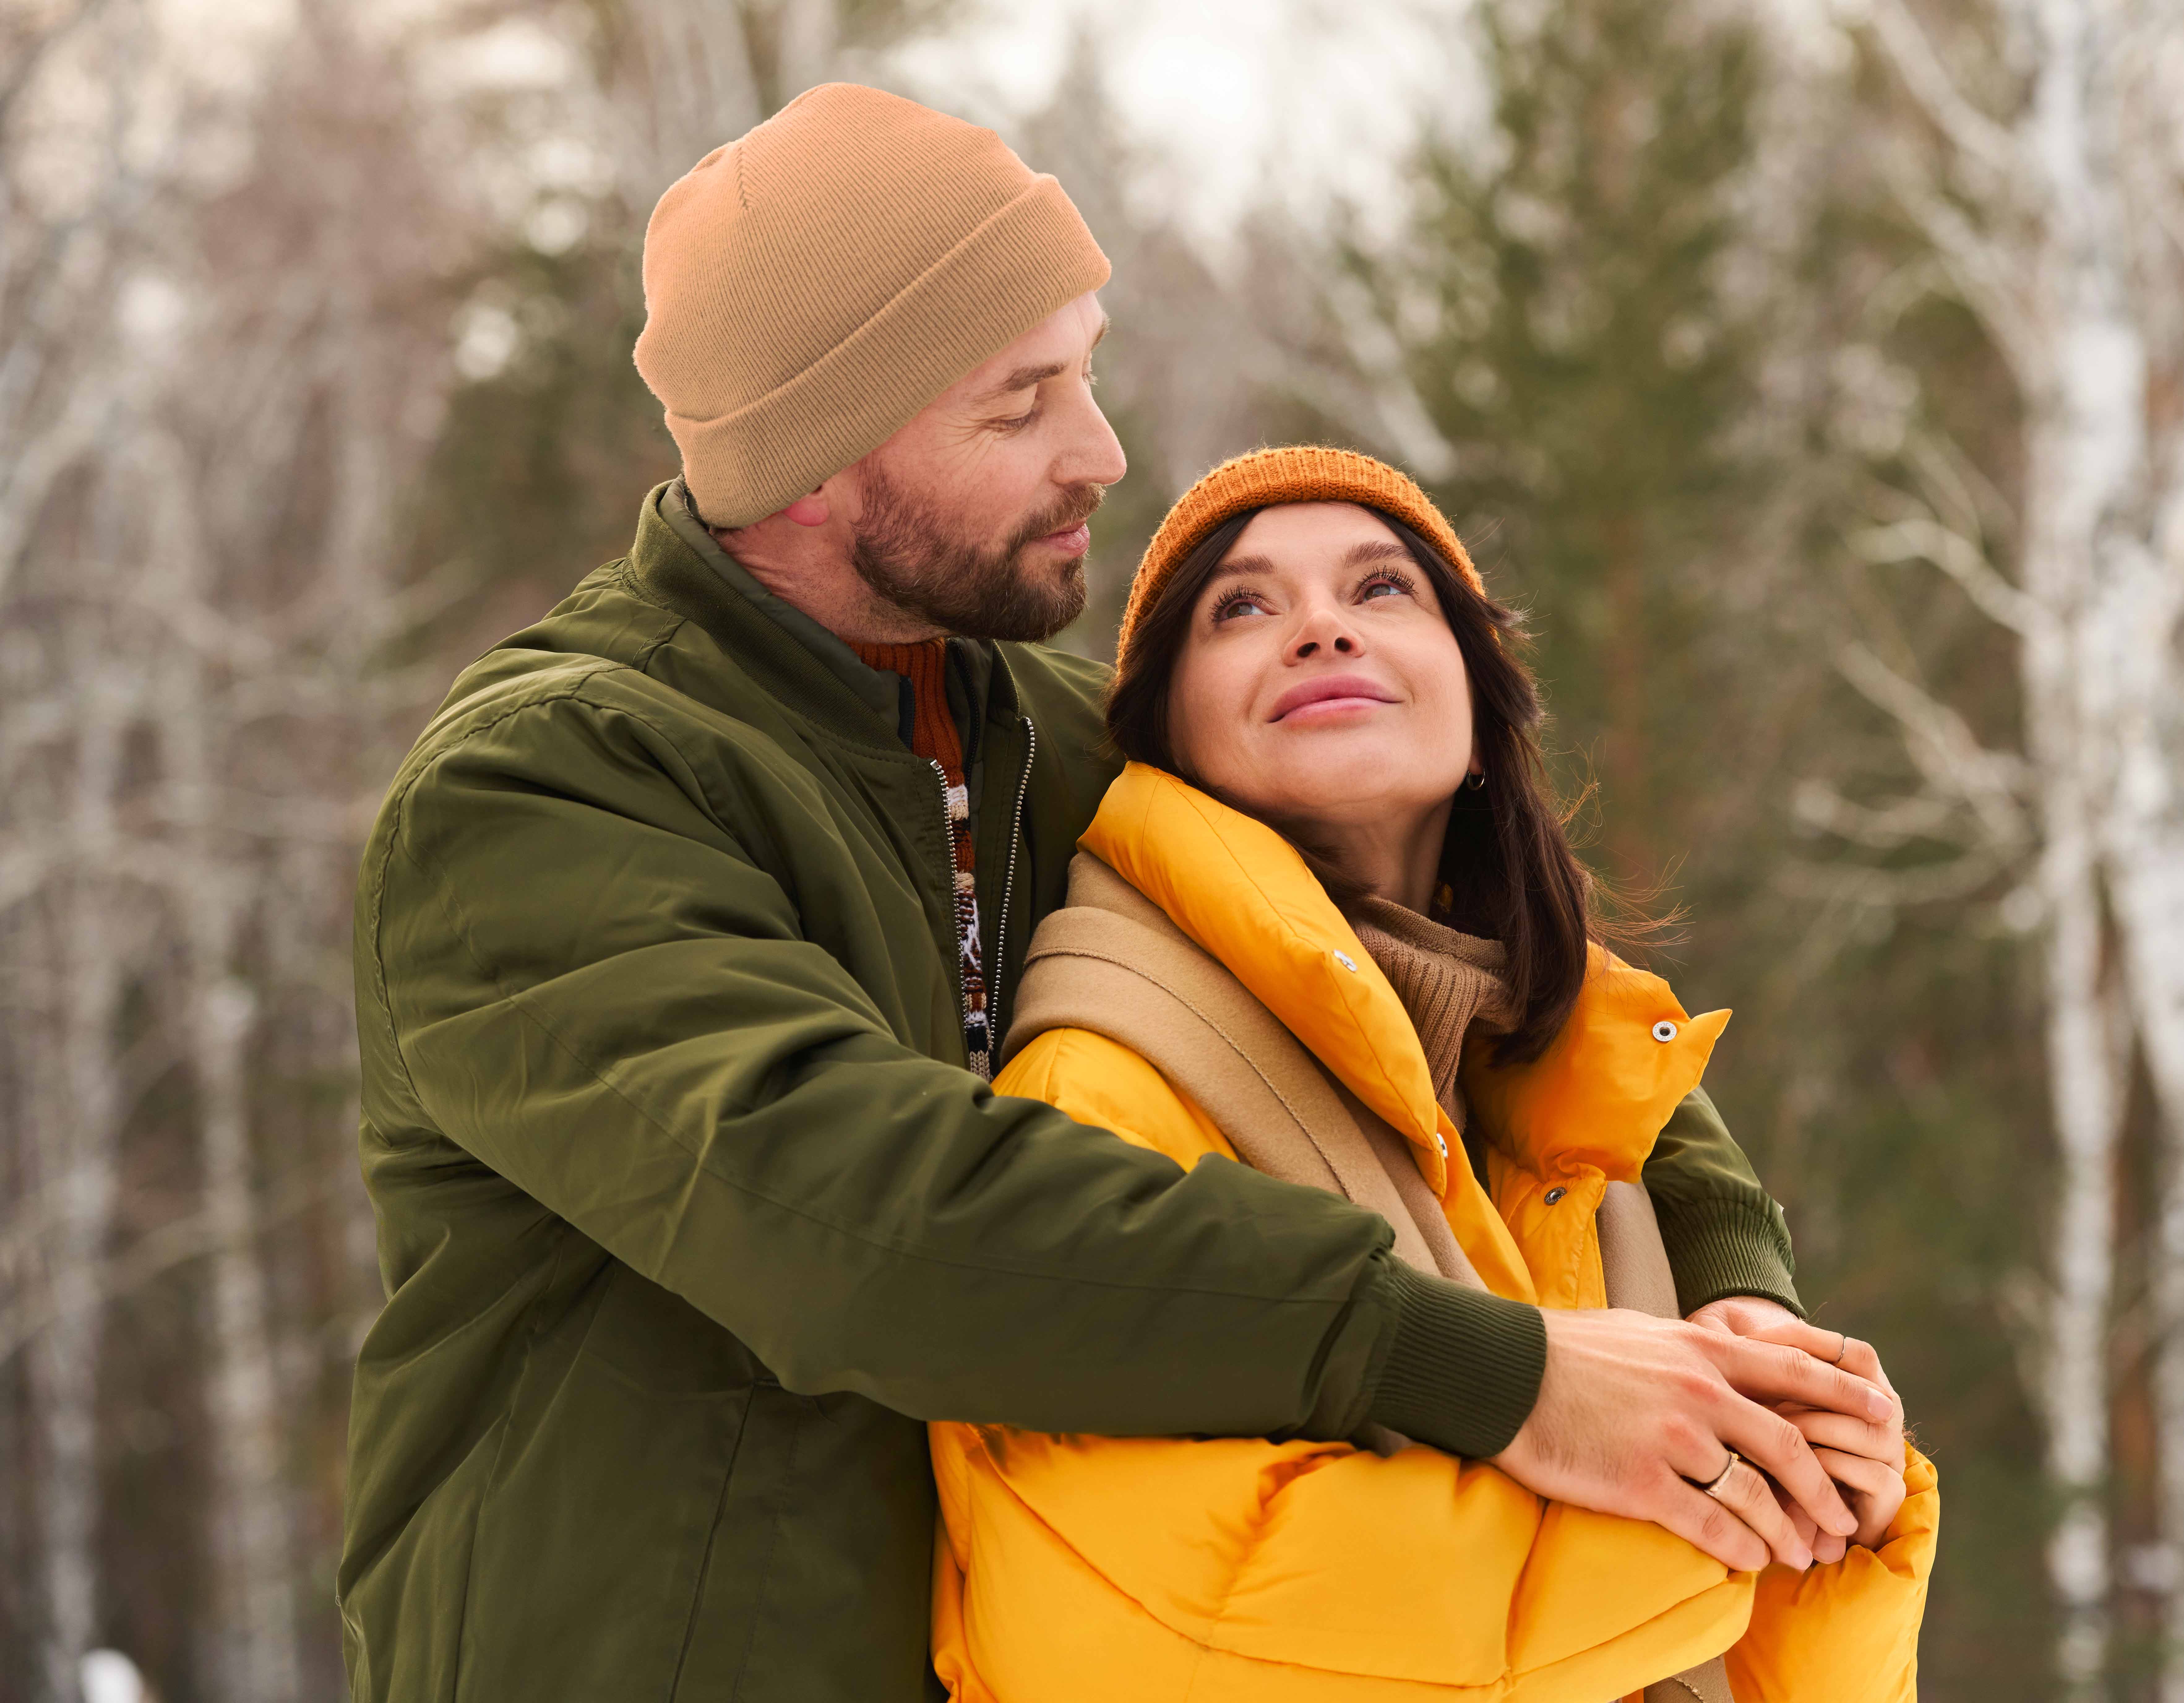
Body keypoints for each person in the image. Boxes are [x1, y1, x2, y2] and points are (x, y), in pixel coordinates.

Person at [337, 86, 1895, 1702]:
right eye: (1023, 404)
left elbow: (1514, 975)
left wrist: (1740, 1307)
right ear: (815, 460)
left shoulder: (1066, 738)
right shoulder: (543, 793)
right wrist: (1494, 1378)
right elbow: (867, 1222)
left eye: (1084, 371)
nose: (1104, 452)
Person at [928, 448, 1936, 1702]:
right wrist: (1739, 1505)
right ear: (1164, 738)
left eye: (1384, 589)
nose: (1321, 627)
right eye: (1241, 606)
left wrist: (1841, 1500)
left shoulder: (1566, 1111)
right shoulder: (1104, 1082)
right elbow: (1152, 1631)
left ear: (1476, 704)